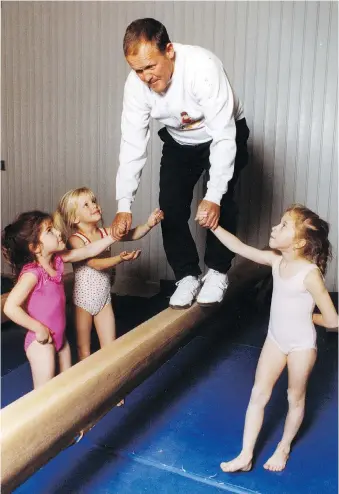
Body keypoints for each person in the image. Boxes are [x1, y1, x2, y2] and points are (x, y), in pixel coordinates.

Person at [111, 18, 250, 309]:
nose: (146, 77)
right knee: (170, 206)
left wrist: (213, 197)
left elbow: (225, 136)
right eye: (137, 70)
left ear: (170, 50)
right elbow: (132, 144)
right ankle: (186, 275)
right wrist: (124, 204)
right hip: (179, 140)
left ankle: (217, 271)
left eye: (151, 66)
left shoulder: (202, 68)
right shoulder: (136, 87)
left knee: (222, 201)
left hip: (222, 133)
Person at [197, 204, 338, 472]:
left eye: (284, 225)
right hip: (275, 339)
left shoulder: (310, 275)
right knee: (258, 393)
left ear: (298, 242)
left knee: (294, 397)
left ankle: (283, 447)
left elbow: (333, 321)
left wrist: (308, 317)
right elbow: (239, 247)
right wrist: (214, 226)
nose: (275, 227)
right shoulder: (277, 261)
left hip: (301, 346)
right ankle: (246, 455)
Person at [2, 210, 119, 389]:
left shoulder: (58, 260)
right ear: (35, 247)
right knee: (44, 391)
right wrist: (38, 328)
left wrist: (113, 237)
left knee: (67, 385)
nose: (58, 232)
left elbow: (87, 250)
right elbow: (10, 307)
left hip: (61, 339)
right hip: (41, 342)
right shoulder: (33, 274)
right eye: (50, 230)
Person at [54, 187, 164, 361]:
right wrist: (119, 258)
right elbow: (94, 264)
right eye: (86, 205)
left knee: (110, 346)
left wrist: (149, 224)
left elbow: (133, 234)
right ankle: (87, 383)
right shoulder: (75, 240)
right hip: (83, 301)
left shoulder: (105, 232)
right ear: (75, 218)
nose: (94, 206)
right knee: (84, 349)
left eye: (94, 201)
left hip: (104, 299)